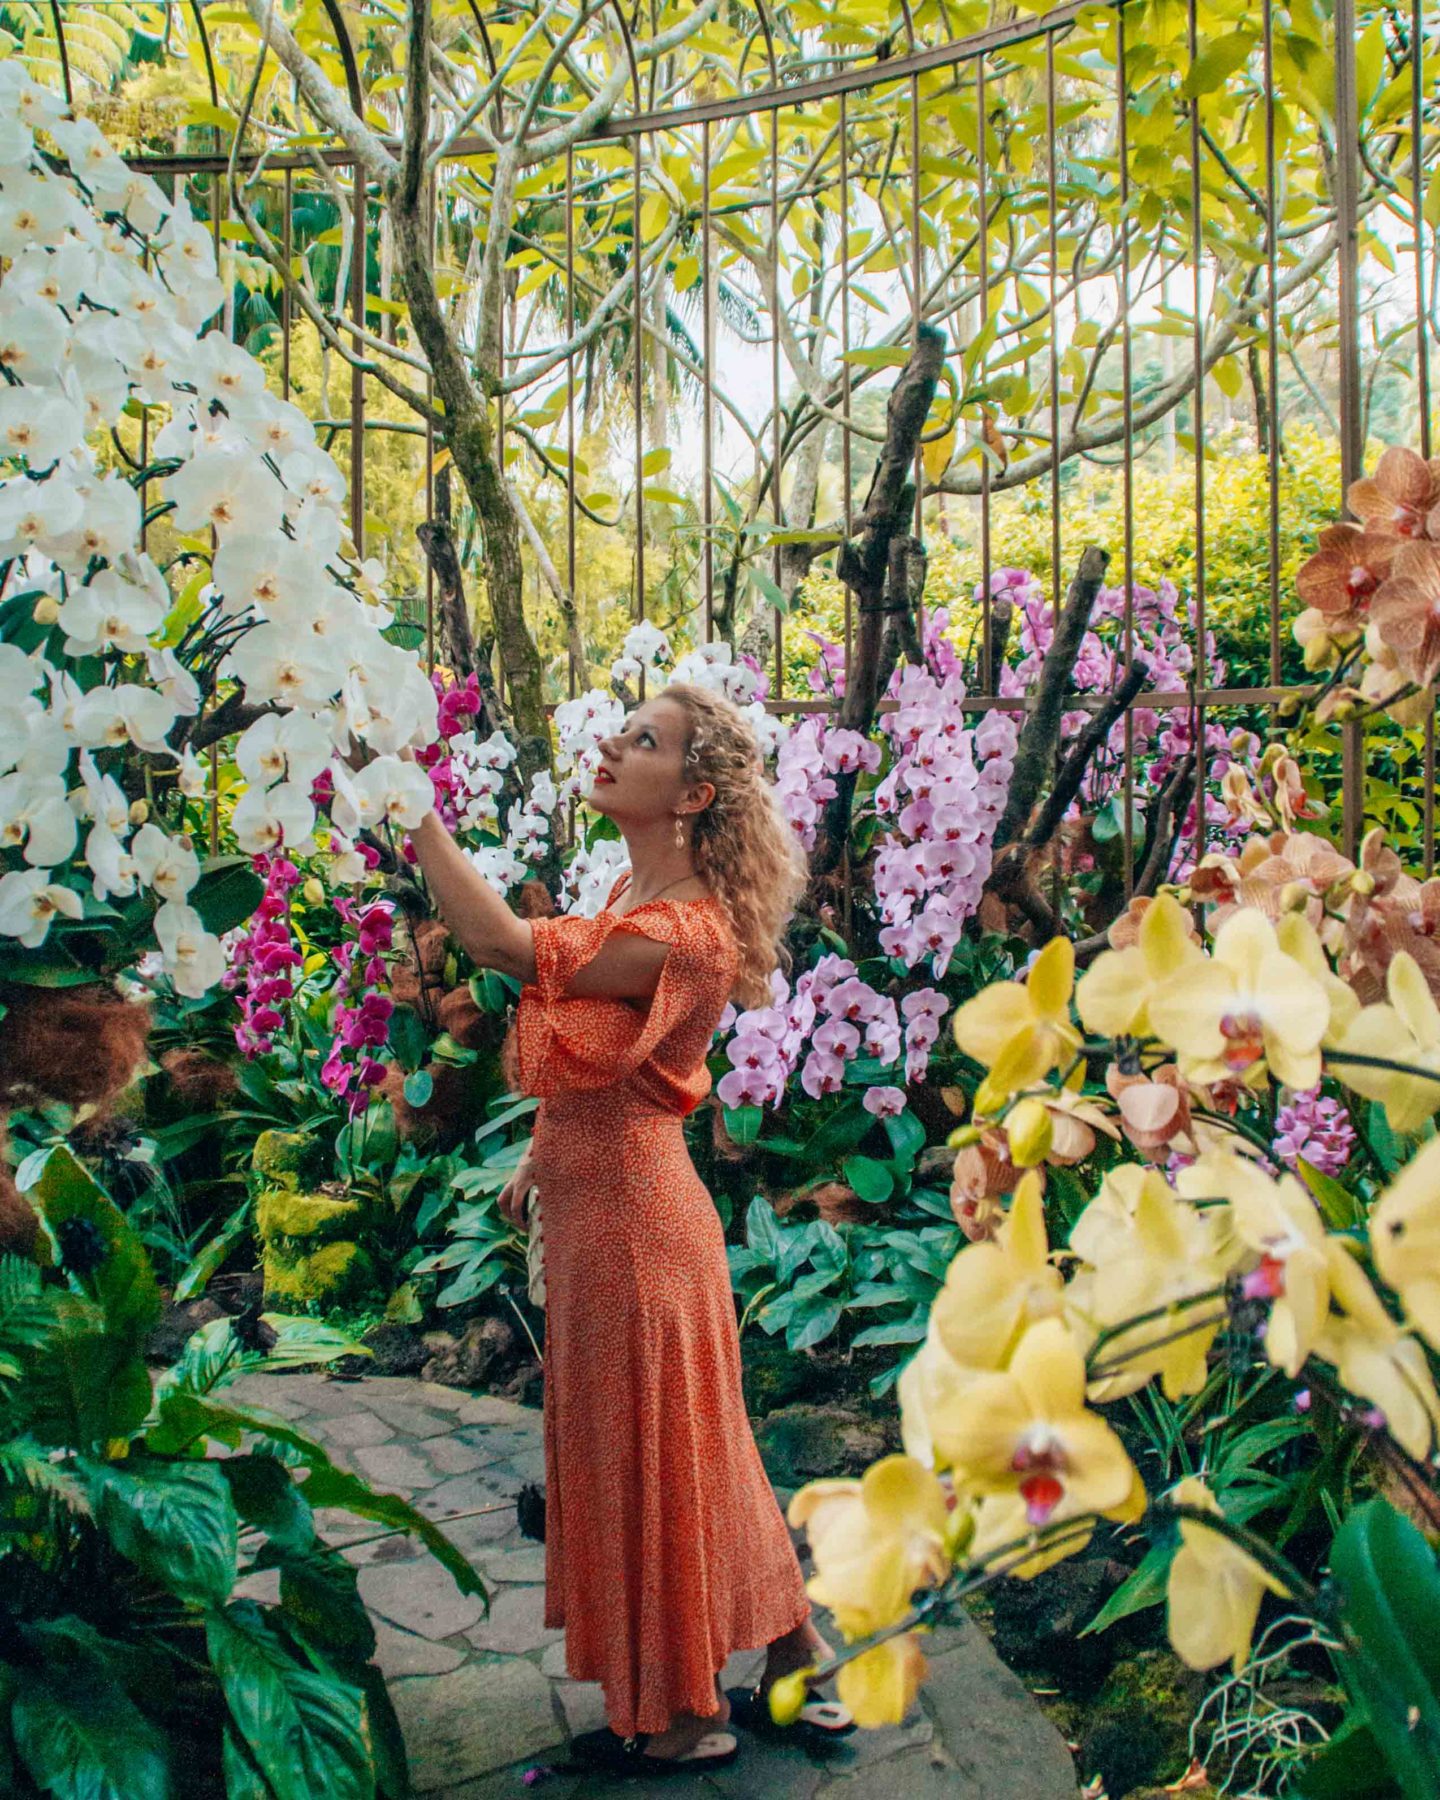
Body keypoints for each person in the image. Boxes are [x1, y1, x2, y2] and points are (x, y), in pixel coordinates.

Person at [404, 681, 854, 1775]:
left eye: (643, 740)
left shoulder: (688, 932)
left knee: (664, 1459)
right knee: (692, 1454)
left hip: (642, 1232)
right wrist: (538, 1151)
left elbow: (508, 947)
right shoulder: (628, 889)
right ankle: (797, 1652)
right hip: (612, 1207)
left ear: (694, 794)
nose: (612, 743)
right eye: (622, 729)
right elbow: (619, 1069)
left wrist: (408, 809)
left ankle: (690, 1714)